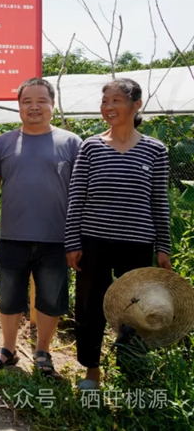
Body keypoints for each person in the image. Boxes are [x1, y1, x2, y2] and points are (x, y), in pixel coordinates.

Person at [64, 78, 172, 390]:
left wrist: (162, 246)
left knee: (135, 310)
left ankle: (130, 368)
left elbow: (158, 201)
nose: (108, 107)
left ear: (136, 105)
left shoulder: (155, 150)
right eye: (104, 101)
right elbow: (77, 197)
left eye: (116, 101)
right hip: (93, 243)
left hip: (137, 244)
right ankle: (91, 370)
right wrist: (72, 241)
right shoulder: (91, 147)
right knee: (89, 306)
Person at [0, 78, 82, 378]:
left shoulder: (72, 142)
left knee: (51, 299)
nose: (34, 107)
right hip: (13, 236)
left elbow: (81, 193)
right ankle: (8, 349)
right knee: (9, 296)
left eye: (41, 101)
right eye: (27, 101)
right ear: (19, 105)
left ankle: (43, 352)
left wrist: (77, 236)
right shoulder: (4, 142)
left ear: (53, 104)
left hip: (56, 239)